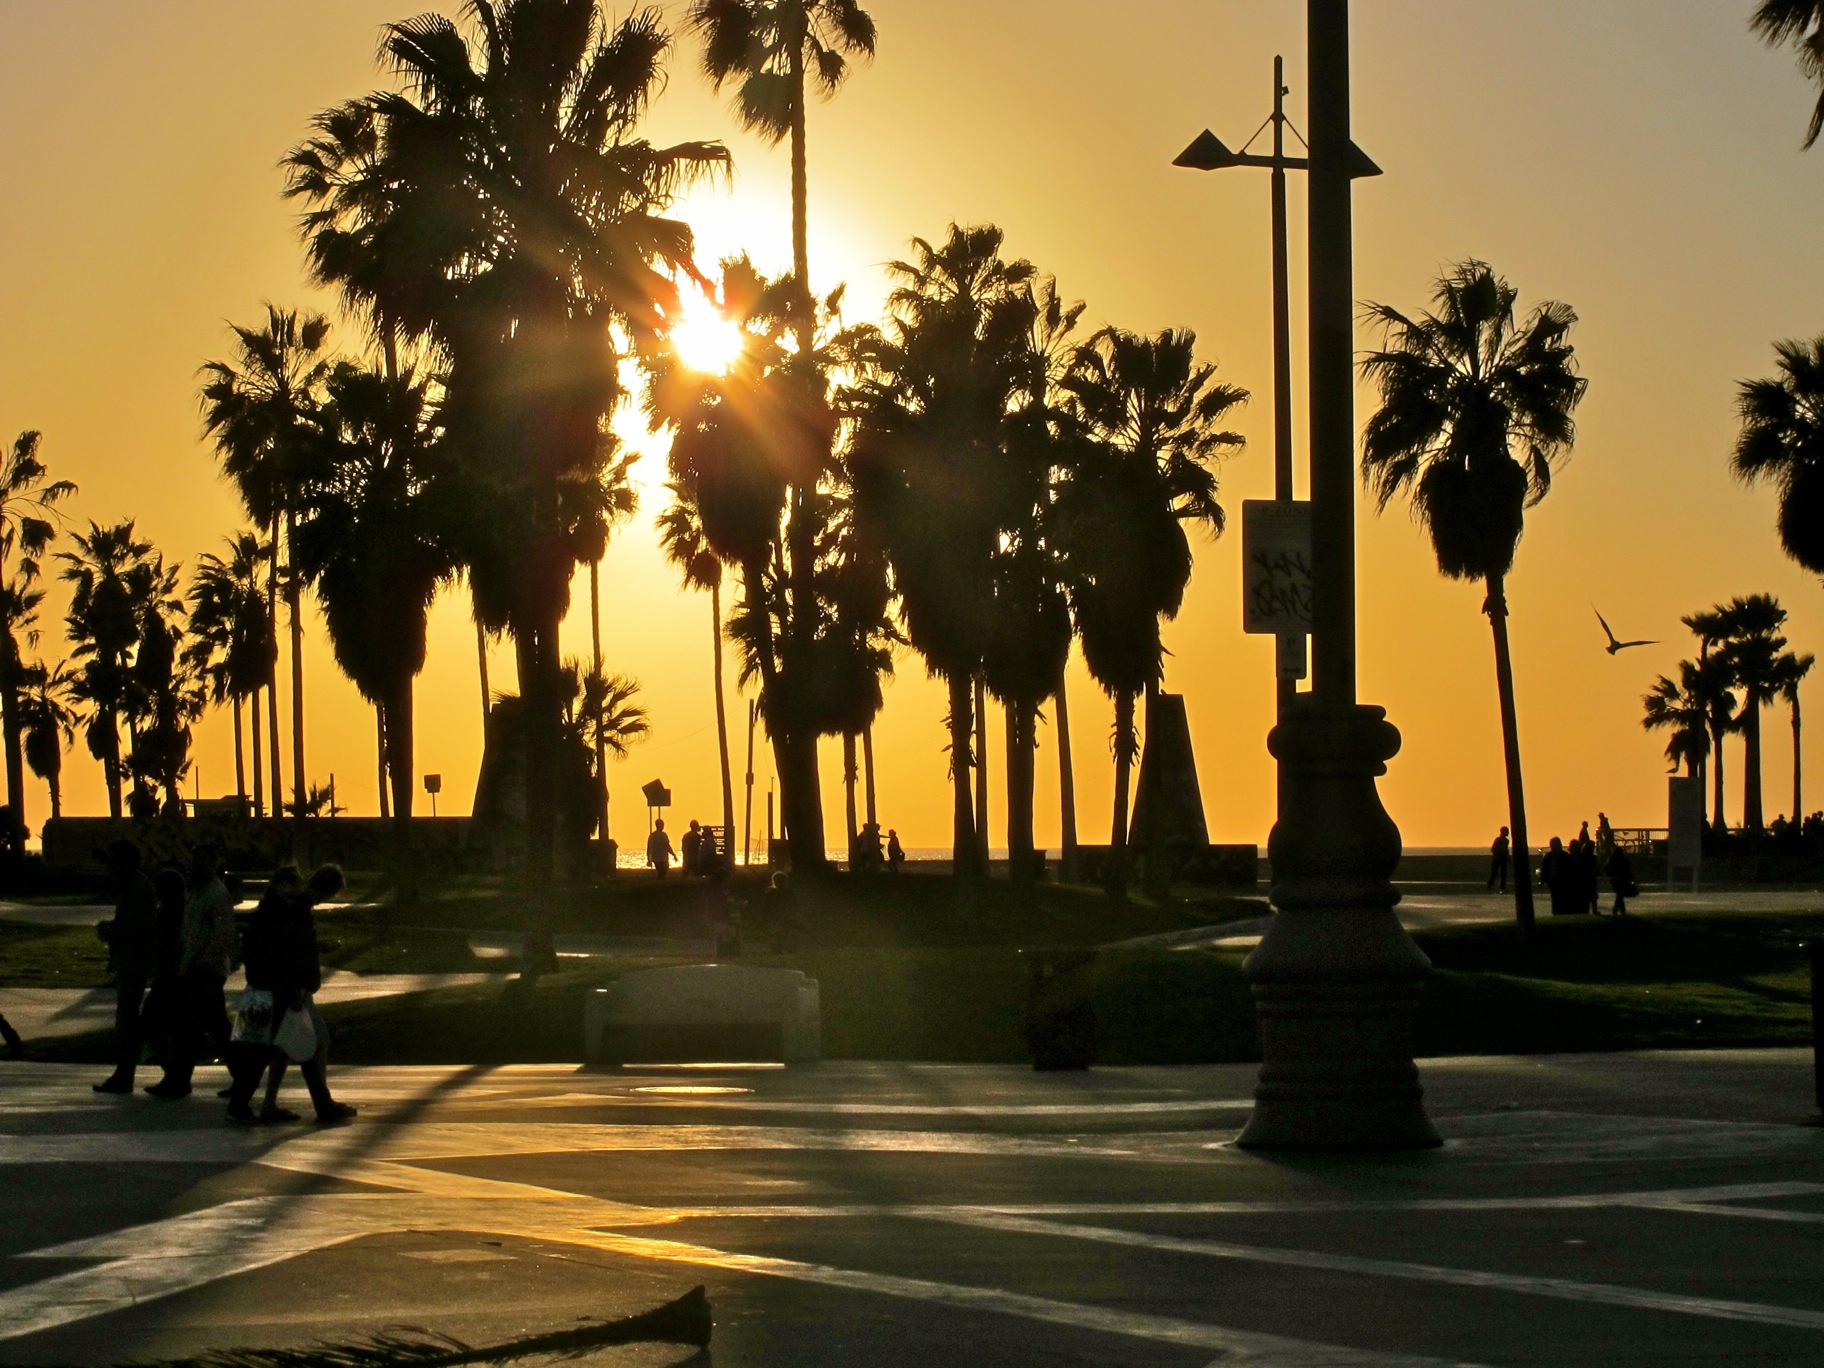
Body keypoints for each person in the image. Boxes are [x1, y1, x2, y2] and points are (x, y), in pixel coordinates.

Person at [233, 864, 356, 1126]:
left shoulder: (271, 912)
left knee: (269, 1049)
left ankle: (251, 1104)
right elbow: (292, 954)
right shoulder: (285, 914)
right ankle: (318, 1106)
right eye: (292, 883)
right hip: (278, 990)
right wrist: (300, 985)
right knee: (289, 1046)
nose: (296, 888)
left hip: (265, 988)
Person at [149, 844, 236, 1098]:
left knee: (201, 1029)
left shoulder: (217, 895)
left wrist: (202, 964)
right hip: (192, 970)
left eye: (202, 862)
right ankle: (239, 1078)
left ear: (213, 864)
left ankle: (182, 1082)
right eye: (194, 860)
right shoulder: (197, 893)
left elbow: (222, 935)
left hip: (205, 972)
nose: (195, 866)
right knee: (203, 1028)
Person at [93, 841, 159, 1094]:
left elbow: (138, 928)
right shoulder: (133, 887)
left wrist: (111, 932)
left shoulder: (137, 889)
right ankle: (126, 1073)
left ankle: (126, 1075)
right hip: (131, 962)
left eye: (113, 861)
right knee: (130, 1021)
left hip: (134, 963)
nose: (109, 867)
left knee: (129, 1022)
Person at [139, 867, 190, 1095]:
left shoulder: (168, 915)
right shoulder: (182, 912)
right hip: (176, 976)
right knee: (172, 1029)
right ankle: (175, 1075)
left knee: (153, 1024)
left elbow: (161, 945)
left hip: (168, 977)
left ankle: (173, 1075)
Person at [1538, 837, 1576, 917]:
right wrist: (1542, 880)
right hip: (1557, 882)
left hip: (1558, 881)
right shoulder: (1564, 856)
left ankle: (1558, 912)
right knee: (1558, 899)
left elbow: (1544, 870)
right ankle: (1559, 912)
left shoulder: (1550, 856)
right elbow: (1544, 869)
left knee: (1558, 899)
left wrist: (1542, 881)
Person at [1606, 842, 1636, 916]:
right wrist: (1631, 878)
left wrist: (1611, 875)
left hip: (1615, 880)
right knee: (1620, 895)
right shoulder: (1625, 861)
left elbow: (1607, 869)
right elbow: (1628, 871)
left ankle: (1618, 910)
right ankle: (1619, 910)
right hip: (1623, 880)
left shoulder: (1612, 860)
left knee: (1619, 895)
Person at [1487, 826, 1510, 892]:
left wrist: (1508, 858)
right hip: (1497, 858)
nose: (1508, 833)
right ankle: (1490, 885)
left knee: (1503, 874)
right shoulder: (1498, 840)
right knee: (1494, 873)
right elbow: (1493, 849)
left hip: (1503, 859)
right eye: (1507, 831)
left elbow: (1506, 850)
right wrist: (1500, 850)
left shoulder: (1506, 841)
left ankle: (1502, 887)